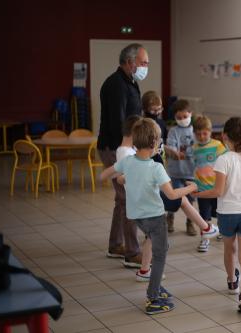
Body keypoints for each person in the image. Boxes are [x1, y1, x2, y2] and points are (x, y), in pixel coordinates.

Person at [100, 118, 197, 315]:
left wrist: (122, 177)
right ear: (155, 143)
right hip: (154, 217)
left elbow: (104, 176)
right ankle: (153, 297)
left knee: (156, 242)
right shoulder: (156, 167)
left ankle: (155, 288)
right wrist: (190, 188)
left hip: (137, 217)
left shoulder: (127, 161)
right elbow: (171, 195)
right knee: (160, 255)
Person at [117, 114, 218, 282]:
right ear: (151, 142)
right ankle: (205, 228)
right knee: (180, 203)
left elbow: (121, 177)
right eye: (158, 140)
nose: (159, 144)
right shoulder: (142, 160)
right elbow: (170, 192)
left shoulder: (134, 156)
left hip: (144, 202)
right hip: (152, 200)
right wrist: (190, 187)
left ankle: (144, 271)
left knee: (151, 237)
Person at [193, 117, 241, 313]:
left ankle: (232, 282)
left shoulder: (223, 159)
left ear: (224, 137)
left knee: (230, 250)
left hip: (227, 213)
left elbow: (217, 191)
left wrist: (196, 193)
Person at [97, 43, 149, 268]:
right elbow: (119, 122)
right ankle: (131, 251)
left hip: (125, 147)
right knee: (129, 199)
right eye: (143, 62)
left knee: (122, 199)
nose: (146, 66)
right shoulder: (116, 85)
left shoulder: (128, 81)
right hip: (116, 148)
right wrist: (127, 152)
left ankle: (115, 244)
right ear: (130, 62)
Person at [192, 115, 226, 252]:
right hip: (202, 190)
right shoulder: (194, 148)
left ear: (210, 132)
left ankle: (221, 231)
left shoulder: (217, 145)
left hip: (217, 188)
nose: (201, 136)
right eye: (198, 134)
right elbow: (193, 165)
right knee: (204, 215)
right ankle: (205, 239)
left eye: (204, 133)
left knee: (219, 212)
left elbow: (225, 161)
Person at [165, 99, 197, 236]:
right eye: (179, 117)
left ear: (191, 114)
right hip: (175, 172)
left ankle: (190, 222)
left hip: (191, 173)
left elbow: (198, 147)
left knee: (190, 200)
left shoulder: (196, 131)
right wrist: (173, 152)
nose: (182, 119)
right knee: (173, 198)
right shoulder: (173, 131)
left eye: (185, 117)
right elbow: (170, 145)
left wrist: (189, 153)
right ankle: (170, 217)